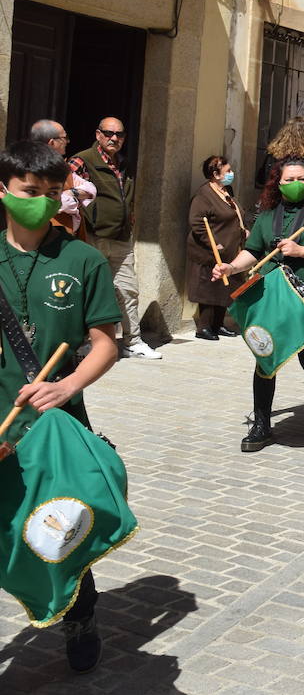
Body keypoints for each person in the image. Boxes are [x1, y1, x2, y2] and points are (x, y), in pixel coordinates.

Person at [0, 139, 123, 672]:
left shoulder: (83, 259)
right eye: (30, 191)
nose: (42, 202)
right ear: (3, 190)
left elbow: (105, 343)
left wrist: (67, 385)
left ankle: (81, 615)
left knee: (63, 527)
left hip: (57, 422)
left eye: (53, 193)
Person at [212, 157, 304, 450]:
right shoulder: (267, 216)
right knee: (265, 356)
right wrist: (231, 267)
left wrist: (300, 250)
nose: (296, 184)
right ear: (278, 182)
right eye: (289, 179)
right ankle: (262, 424)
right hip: (271, 297)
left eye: (301, 179)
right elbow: (253, 251)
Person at [70, 117, 160, 359]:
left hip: (121, 238)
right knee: (89, 290)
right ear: (98, 134)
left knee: (128, 290)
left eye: (119, 134)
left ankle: (133, 341)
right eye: (109, 133)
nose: (114, 138)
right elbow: (65, 191)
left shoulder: (124, 163)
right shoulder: (82, 160)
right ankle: (83, 342)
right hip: (93, 236)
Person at [186, 155, 247, 340]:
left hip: (229, 250)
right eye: (228, 171)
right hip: (209, 252)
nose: (231, 173)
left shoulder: (227, 191)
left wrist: (242, 231)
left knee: (225, 288)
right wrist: (215, 244)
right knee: (208, 289)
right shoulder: (204, 195)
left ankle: (218, 324)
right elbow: (197, 222)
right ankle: (203, 327)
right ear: (215, 174)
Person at [30, 119, 94, 236]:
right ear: (52, 142)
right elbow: (56, 204)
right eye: (64, 138)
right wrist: (75, 198)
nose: (68, 141)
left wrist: (71, 193)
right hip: (46, 235)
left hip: (67, 235)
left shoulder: (63, 167)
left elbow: (90, 188)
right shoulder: (31, 169)